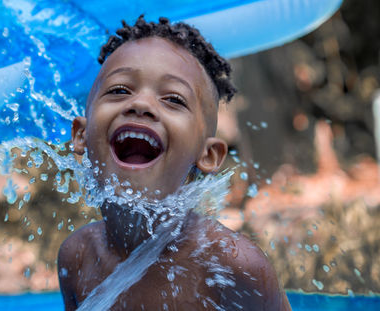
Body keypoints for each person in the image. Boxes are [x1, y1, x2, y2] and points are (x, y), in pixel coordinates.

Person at [58, 16, 291, 310]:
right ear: (81, 135)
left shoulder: (233, 267)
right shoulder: (78, 256)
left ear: (208, 155)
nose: (141, 104)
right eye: (119, 90)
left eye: (173, 99)